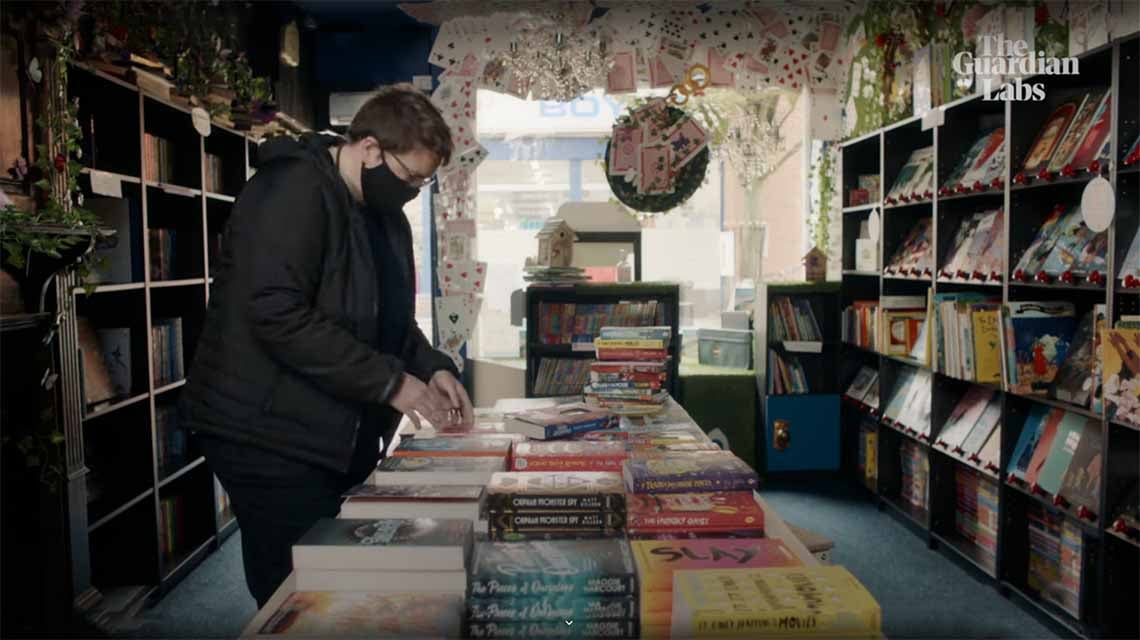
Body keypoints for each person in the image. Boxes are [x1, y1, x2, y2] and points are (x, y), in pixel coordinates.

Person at [179, 84, 472, 608]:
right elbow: (275, 313)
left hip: (328, 427)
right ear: (369, 148)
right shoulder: (290, 190)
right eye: (409, 177)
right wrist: (391, 384)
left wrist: (432, 367)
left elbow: (392, 322)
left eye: (423, 182)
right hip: (265, 430)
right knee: (300, 590)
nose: (412, 191)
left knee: (336, 576)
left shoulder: (385, 216)